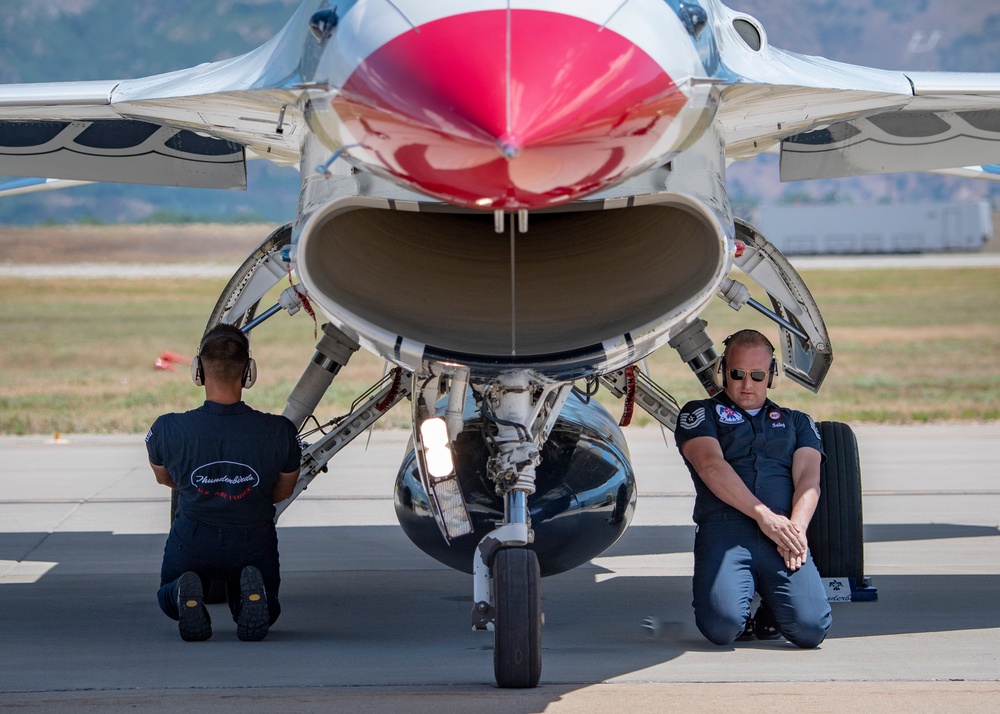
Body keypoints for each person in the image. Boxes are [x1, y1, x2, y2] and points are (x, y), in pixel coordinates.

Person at [674, 328, 832, 648]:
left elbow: (808, 479)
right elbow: (710, 465)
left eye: (758, 375)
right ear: (722, 371)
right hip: (726, 530)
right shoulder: (699, 413)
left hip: (784, 532)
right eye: (737, 373)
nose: (747, 384)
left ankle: (771, 608)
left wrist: (796, 531)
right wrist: (763, 515)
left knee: (812, 629)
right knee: (722, 627)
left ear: (771, 375)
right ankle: (740, 610)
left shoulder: (797, 422)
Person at [146, 324, 301, 642]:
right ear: (249, 372)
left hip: (193, 538)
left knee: (167, 595)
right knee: (267, 607)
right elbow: (282, 492)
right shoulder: (280, 431)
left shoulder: (167, 429)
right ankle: (251, 596)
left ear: (197, 371)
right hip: (252, 537)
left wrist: (205, 488)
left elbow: (166, 479)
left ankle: (184, 590)